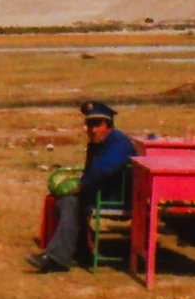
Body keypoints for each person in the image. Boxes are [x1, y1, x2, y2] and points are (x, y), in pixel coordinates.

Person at [34, 101, 138, 271]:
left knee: (70, 201)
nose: (92, 129)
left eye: (97, 124)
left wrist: (81, 185)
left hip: (117, 196)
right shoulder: (98, 144)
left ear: (109, 125)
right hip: (103, 191)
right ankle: (72, 251)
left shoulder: (119, 143)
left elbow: (102, 170)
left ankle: (61, 256)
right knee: (65, 200)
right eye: (89, 124)